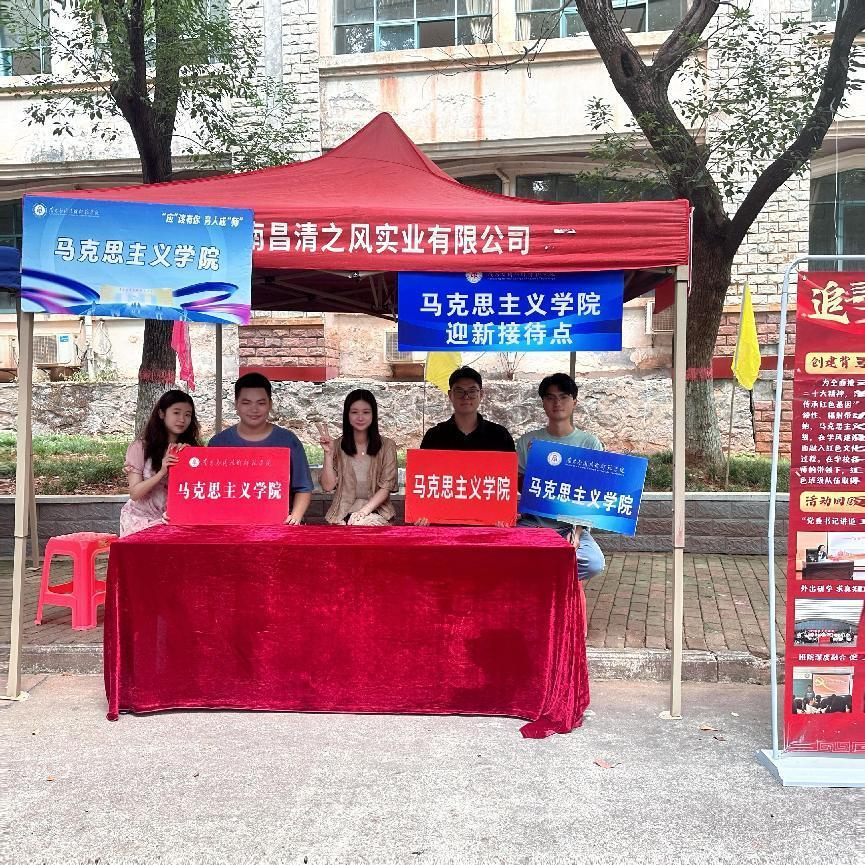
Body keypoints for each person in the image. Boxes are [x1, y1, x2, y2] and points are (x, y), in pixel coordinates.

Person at [515, 373, 606, 582]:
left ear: (574, 402)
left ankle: (547, 582)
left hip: (570, 526)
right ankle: (548, 583)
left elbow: (593, 496)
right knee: (505, 554)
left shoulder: (589, 444)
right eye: (550, 397)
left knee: (593, 562)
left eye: (563, 397)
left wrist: (578, 533)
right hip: (532, 524)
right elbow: (517, 485)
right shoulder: (527, 441)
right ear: (543, 403)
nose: (557, 403)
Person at [208, 372, 313, 525]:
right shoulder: (218, 443)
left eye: (261, 403)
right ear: (236, 404)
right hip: (228, 526)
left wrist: (295, 517)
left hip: (279, 527)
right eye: (246, 403)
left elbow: (303, 487)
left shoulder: (288, 441)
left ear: (270, 404)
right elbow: (206, 489)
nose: (254, 409)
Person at [120, 389, 201, 537]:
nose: (182, 419)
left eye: (187, 415)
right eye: (176, 412)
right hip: (141, 521)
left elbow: (196, 491)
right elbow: (135, 493)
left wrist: (190, 461)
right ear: (162, 414)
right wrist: (162, 472)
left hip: (175, 520)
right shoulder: (139, 447)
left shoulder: (190, 450)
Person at [319, 389, 399, 525]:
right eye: (354, 412)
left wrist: (362, 513)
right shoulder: (336, 445)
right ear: (347, 415)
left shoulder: (387, 446)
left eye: (366, 412)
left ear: (373, 415)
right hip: (341, 515)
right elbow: (328, 486)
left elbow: (386, 487)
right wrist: (328, 454)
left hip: (376, 515)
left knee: (363, 524)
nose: (360, 417)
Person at [420, 366, 515, 453]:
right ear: (450, 395)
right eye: (459, 391)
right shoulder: (434, 437)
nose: (466, 397)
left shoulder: (500, 436)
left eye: (472, 391)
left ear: (481, 395)